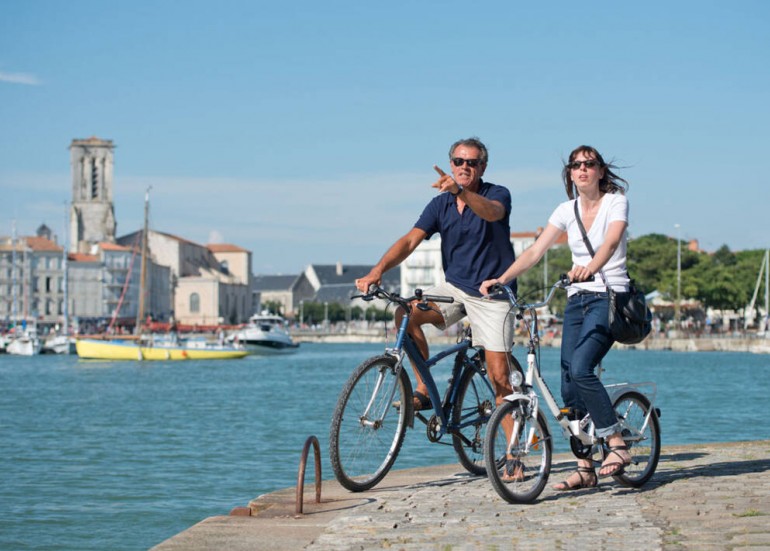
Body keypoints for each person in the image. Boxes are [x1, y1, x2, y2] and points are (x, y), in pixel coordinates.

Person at [480, 145, 633, 490]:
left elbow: (611, 241)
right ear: (570, 173)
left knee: (582, 369)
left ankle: (616, 443)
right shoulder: (566, 209)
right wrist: (502, 279)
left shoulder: (616, 201)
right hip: (577, 301)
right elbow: (535, 251)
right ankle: (585, 468)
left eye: (589, 164)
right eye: (576, 165)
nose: (582, 170)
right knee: (567, 381)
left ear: (600, 171)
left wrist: (590, 269)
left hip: (609, 297)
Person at [355, 136, 517, 419]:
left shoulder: (498, 194)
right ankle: (424, 389)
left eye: (472, 163)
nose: (464, 167)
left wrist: (462, 193)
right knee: (406, 313)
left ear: (483, 167)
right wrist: (377, 271)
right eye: (458, 162)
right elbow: (409, 241)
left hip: (493, 295)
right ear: (451, 165)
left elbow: (492, 213)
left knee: (500, 379)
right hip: (454, 288)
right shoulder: (440, 205)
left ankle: (514, 457)